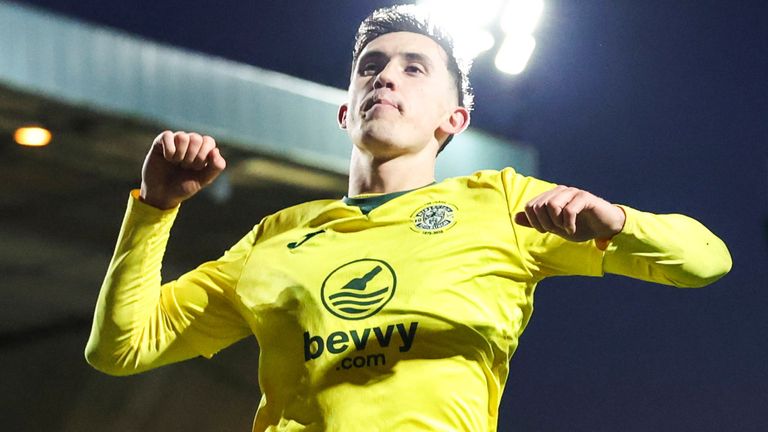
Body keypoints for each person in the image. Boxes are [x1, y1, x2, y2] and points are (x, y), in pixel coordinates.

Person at [85, 5, 732, 431]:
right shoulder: (276, 238)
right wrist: (155, 209)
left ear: (454, 120)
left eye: (412, 69)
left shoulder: (501, 204)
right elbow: (121, 347)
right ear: (346, 112)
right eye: (370, 68)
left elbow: (706, 262)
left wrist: (615, 220)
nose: (385, 78)